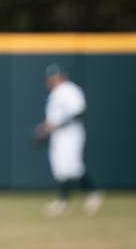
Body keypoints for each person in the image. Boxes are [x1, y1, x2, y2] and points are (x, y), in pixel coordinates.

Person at [36, 64, 104, 217]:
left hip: (71, 134)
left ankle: (93, 194)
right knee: (60, 169)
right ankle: (63, 202)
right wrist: (45, 128)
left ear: (62, 76)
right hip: (59, 136)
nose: (52, 80)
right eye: (51, 77)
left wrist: (57, 125)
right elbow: (54, 119)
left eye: (55, 77)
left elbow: (78, 112)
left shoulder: (70, 90)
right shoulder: (55, 93)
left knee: (73, 166)